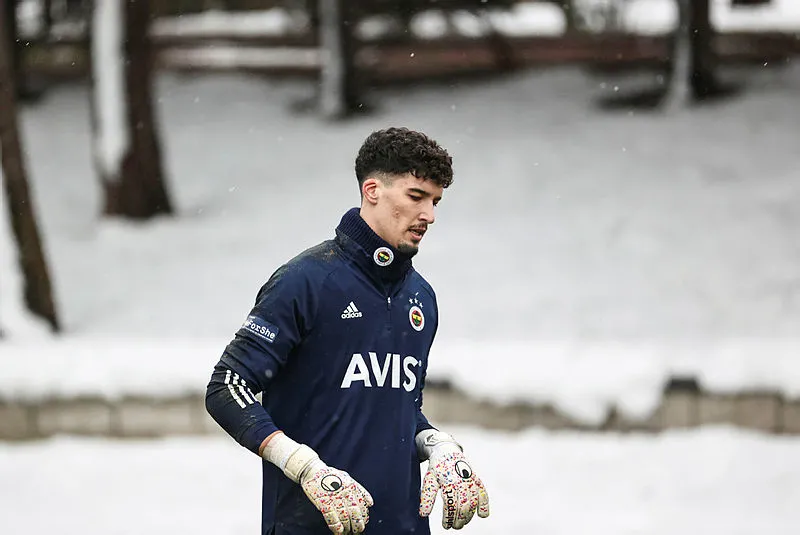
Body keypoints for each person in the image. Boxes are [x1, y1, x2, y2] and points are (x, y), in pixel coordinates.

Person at [205, 127, 490, 535]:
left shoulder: (421, 298)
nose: (429, 215)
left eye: (435, 201)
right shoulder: (306, 281)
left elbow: (393, 409)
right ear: (372, 190)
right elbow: (227, 387)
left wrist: (438, 445)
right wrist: (302, 465)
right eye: (416, 196)